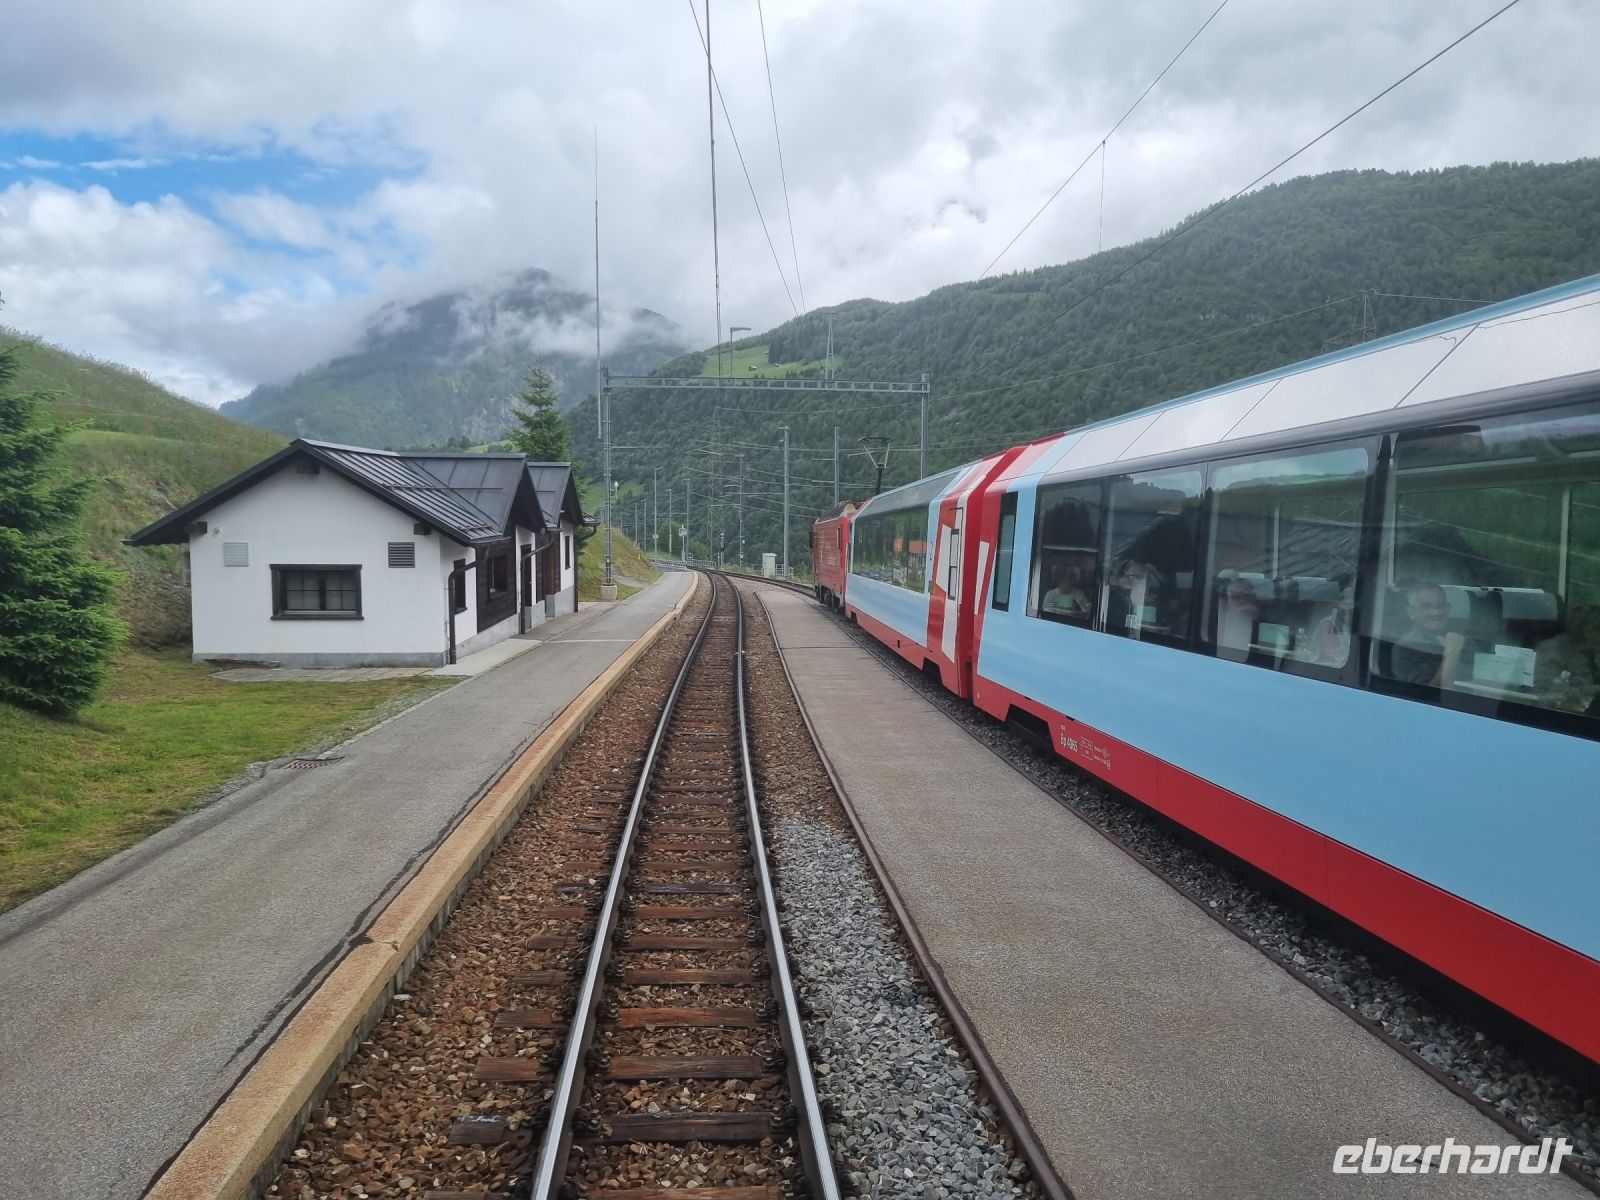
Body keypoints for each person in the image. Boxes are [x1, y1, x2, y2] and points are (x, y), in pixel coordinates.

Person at [1390, 583, 1467, 689]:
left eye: (1441, 606)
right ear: (1411, 612)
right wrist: (1452, 655)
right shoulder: (1406, 647)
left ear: (1448, 608)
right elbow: (1429, 694)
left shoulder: (1460, 639)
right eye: (1426, 606)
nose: (1436, 612)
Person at [1534, 602, 1600, 715]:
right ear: (1583, 629)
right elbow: (1546, 694)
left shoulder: (1591, 650)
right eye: (1597, 630)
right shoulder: (1552, 651)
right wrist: (1596, 690)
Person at [1107, 559, 1161, 638]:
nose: (1143, 582)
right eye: (1139, 577)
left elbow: (1145, 628)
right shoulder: (1118, 601)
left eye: (1146, 579)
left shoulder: (1147, 604)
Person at [1214, 573, 1260, 659]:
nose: (1243, 601)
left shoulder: (1269, 626)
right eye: (1236, 597)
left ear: (1254, 598)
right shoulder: (1216, 626)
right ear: (1228, 602)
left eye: (1247, 596)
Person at [1309, 582, 1355, 667]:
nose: (1347, 610)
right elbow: (1315, 653)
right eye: (1344, 605)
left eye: (1350, 607)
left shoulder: (1358, 627)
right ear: (1337, 605)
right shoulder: (1326, 625)